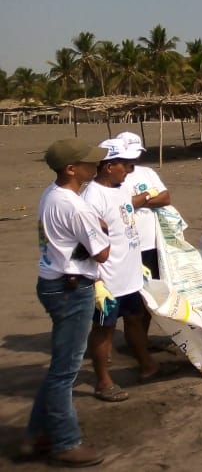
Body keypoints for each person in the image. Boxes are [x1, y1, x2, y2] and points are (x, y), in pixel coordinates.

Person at [19, 138, 110, 467]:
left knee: (59, 366)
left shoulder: (52, 194)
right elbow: (102, 252)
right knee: (65, 372)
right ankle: (65, 441)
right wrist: (102, 229)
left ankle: (36, 435)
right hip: (72, 287)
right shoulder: (75, 205)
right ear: (71, 169)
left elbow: (66, 242)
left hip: (54, 282)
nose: (95, 166)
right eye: (89, 163)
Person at [83, 138, 166, 403]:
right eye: (126, 165)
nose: (130, 171)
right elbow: (87, 242)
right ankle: (103, 382)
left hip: (130, 274)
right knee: (104, 329)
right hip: (107, 279)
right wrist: (96, 278)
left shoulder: (119, 189)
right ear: (108, 166)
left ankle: (147, 364)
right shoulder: (91, 198)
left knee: (134, 319)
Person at [116, 130, 171, 341]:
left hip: (151, 244)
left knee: (149, 296)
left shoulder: (147, 173)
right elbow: (123, 204)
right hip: (127, 248)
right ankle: (132, 342)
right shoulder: (112, 177)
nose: (134, 158)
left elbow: (166, 197)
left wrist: (139, 199)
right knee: (128, 299)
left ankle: (142, 340)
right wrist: (149, 194)